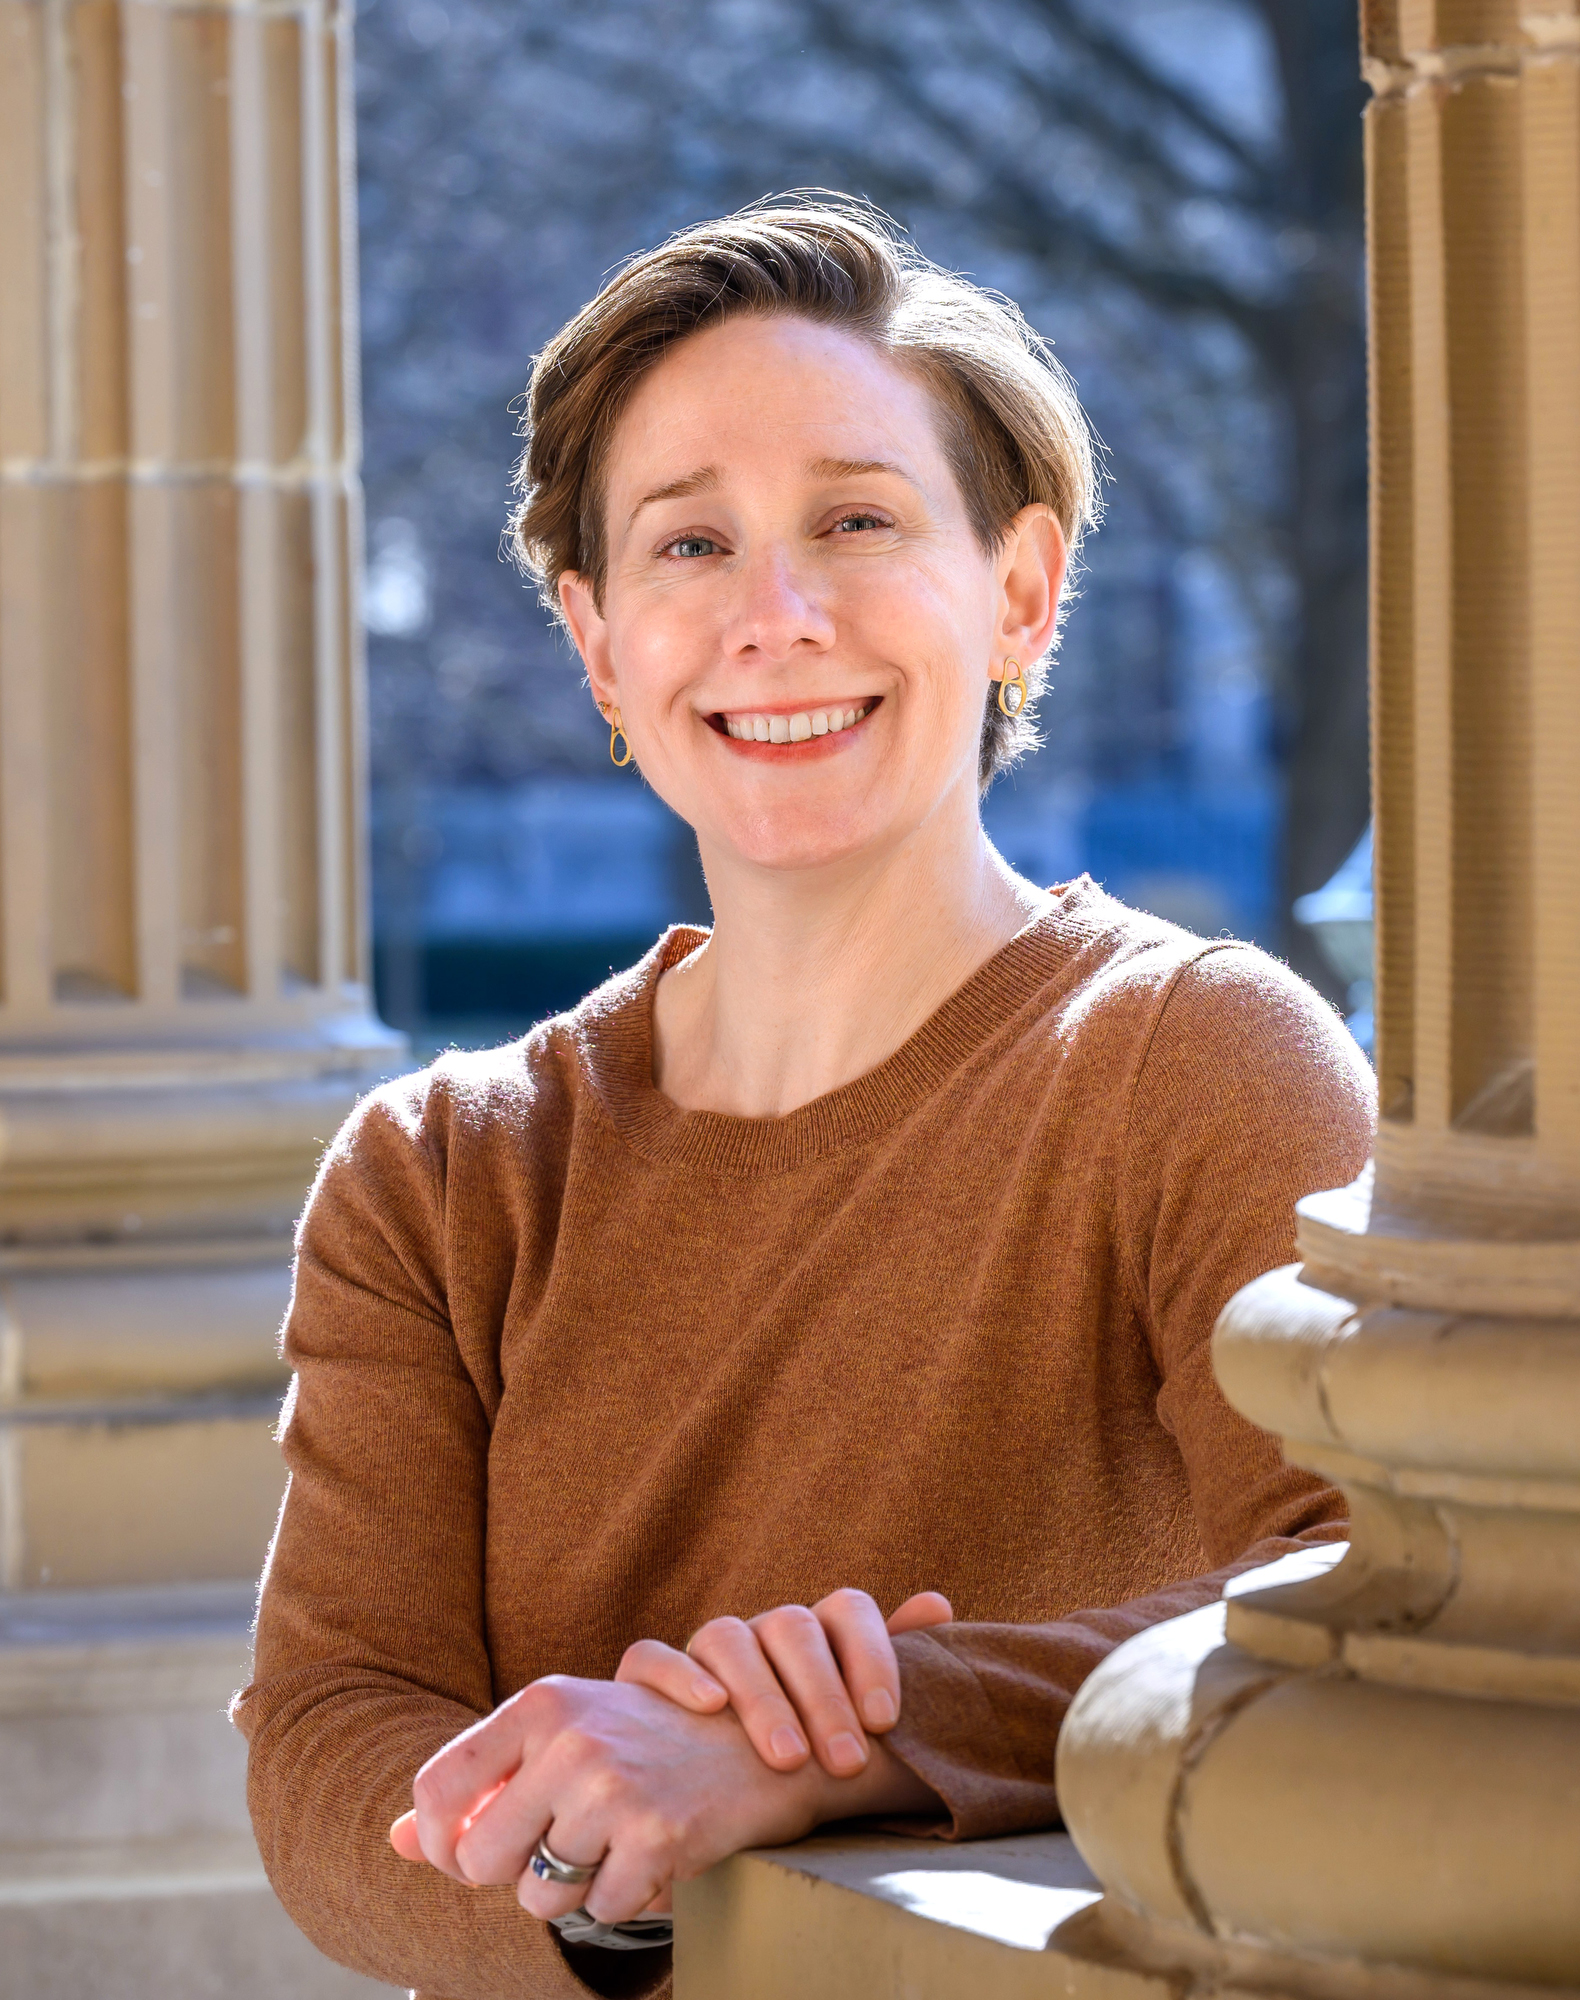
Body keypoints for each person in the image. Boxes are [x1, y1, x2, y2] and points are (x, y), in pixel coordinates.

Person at [233, 198, 1374, 2000]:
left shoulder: (1198, 1057)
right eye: (690, 545)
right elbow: (329, 1746)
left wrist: (845, 1737)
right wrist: (619, 1861)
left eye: (857, 521)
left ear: (1020, 592)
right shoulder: (440, 1174)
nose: (774, 617)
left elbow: (1370, 1596)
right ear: (601, 645)